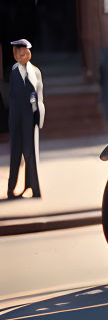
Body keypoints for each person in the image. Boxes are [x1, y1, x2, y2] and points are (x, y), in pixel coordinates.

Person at [7, 38, 45, 199]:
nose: (22, 56)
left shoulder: (35, 71)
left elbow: (40, 95)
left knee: (30, 154)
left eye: (24, 53)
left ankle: (33, 187)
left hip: (30, 118)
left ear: (28, 54)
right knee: (15, 154)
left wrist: (39, 115)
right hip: (16, 119)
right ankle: (11, 189)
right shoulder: (14, 71)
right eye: (18, 54)